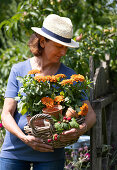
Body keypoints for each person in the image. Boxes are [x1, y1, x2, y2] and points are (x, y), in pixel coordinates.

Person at [0, 14, 96, 170]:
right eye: (59, 46)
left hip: (51, 155)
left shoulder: (70, 77)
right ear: (43, 42)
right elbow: (6, 114)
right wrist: (25, 138)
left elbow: (91, 115)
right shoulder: (19, 70)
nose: (64, 52)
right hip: (14, 153)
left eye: (66, 47)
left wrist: (80, 129)